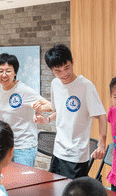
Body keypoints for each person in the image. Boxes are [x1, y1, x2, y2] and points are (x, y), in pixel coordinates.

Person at [32, 44, 107, 178]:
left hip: (76, 154)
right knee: (54, 188)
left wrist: (102, 144)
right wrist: (47, 119)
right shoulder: (55, 84)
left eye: (67, 67)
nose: (64, 74)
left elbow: (101, 116)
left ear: (72, 62)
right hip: (58, 151)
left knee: (72, 191)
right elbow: (61, 111)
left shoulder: (85, 86)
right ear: (52, 70)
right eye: (58, 71)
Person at [0, 53, 48, 167]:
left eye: (8, 71)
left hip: (24, 146)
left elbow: (50, 105)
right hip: (7, 145)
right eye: (0, 71)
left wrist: (39, 108)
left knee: (23, 177)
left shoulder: (23, 90)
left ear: (15, 73)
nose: (4, 75)